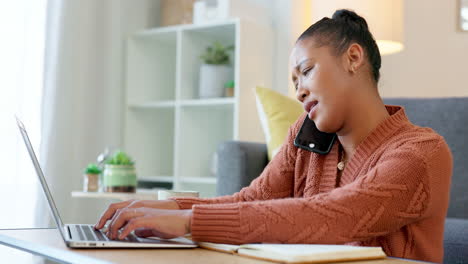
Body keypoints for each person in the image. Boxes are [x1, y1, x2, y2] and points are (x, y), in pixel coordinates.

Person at [94, 9, 452, 263]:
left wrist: (189, 222)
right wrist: (169, 207)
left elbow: (339, 217)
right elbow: (254, 198)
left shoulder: (421, 153)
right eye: (293, 83)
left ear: (353, 58)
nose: (298, 92)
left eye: (306, 72)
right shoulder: (306, 134)